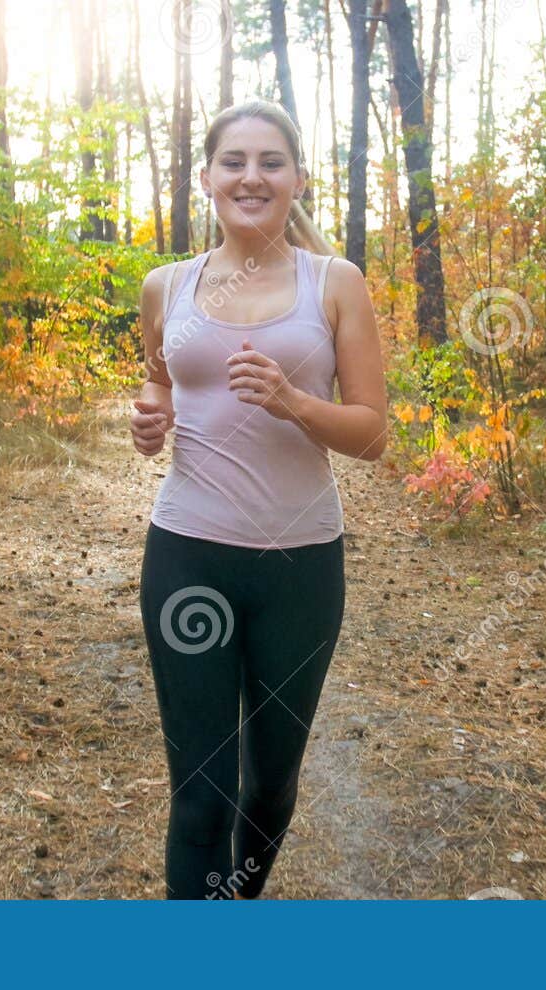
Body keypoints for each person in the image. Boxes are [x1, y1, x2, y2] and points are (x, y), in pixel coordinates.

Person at [129, 99, 388, 899]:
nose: (251, 176)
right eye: (233, 161)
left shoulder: (335, 284)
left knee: (269, 787)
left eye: (271, 162)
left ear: (298, 180)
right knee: (201, 793)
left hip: (299, 569)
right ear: (206, 177)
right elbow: (161, 381)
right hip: (187, 556)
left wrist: (294, 403)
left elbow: (374, 434)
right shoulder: (164, 286)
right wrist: (151, 416)